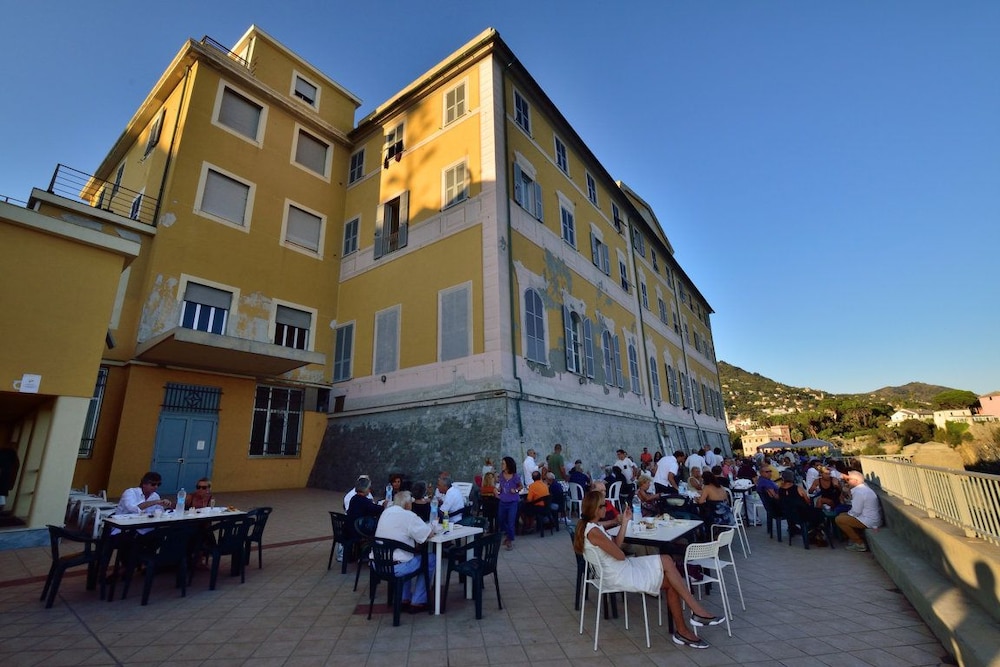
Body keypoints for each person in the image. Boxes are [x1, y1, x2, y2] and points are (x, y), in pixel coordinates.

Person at [574, 490, 723, 649]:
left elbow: (616, 546)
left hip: (618, 567)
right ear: (596, 509)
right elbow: (620, 555)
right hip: (618, 573)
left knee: (667, 560)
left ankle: (693, 616)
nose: (606, 507)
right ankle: (688, 623)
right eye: (604, 505)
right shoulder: (594, 531)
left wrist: (625, 522)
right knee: (671, 578)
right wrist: (617, 541)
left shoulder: (592, 526)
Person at [375, 490, 435, 613]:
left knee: (406, 556)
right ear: (407, 504)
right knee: (430, 558)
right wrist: (432, 526)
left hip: (378, 564)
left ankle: (404, 598)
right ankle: (418, 601)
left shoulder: (385, 512)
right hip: (397, 567)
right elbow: (428, 534)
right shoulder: (409, 516)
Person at [836, 471, 883, 552]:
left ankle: (859, 543)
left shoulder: (859, 492)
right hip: (869, 517)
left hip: (869, 520)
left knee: (839, 519)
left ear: (856, 481)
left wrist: (848, 514)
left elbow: (856, 511)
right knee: (842, 515)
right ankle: (856, 538)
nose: (847, 482)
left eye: (849, 479)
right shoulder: (863, 487)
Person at [497, 456, 523, 550]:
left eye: (503, 463)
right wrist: (498, 490)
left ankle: (510, 540)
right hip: (503, 501)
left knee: (511, 521)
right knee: (501, 520)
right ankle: (509, 535)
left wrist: (515, 490)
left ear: (508, 465)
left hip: (512, 502)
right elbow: (501, 486)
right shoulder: (501, 475)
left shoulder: (515, 476)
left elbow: (521, 486)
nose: (502, 465)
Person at [0, 442, 20, 510]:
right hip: (6, 478)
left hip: (3, 476)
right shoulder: (14, 457)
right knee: (2, 493)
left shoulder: (2, 453)